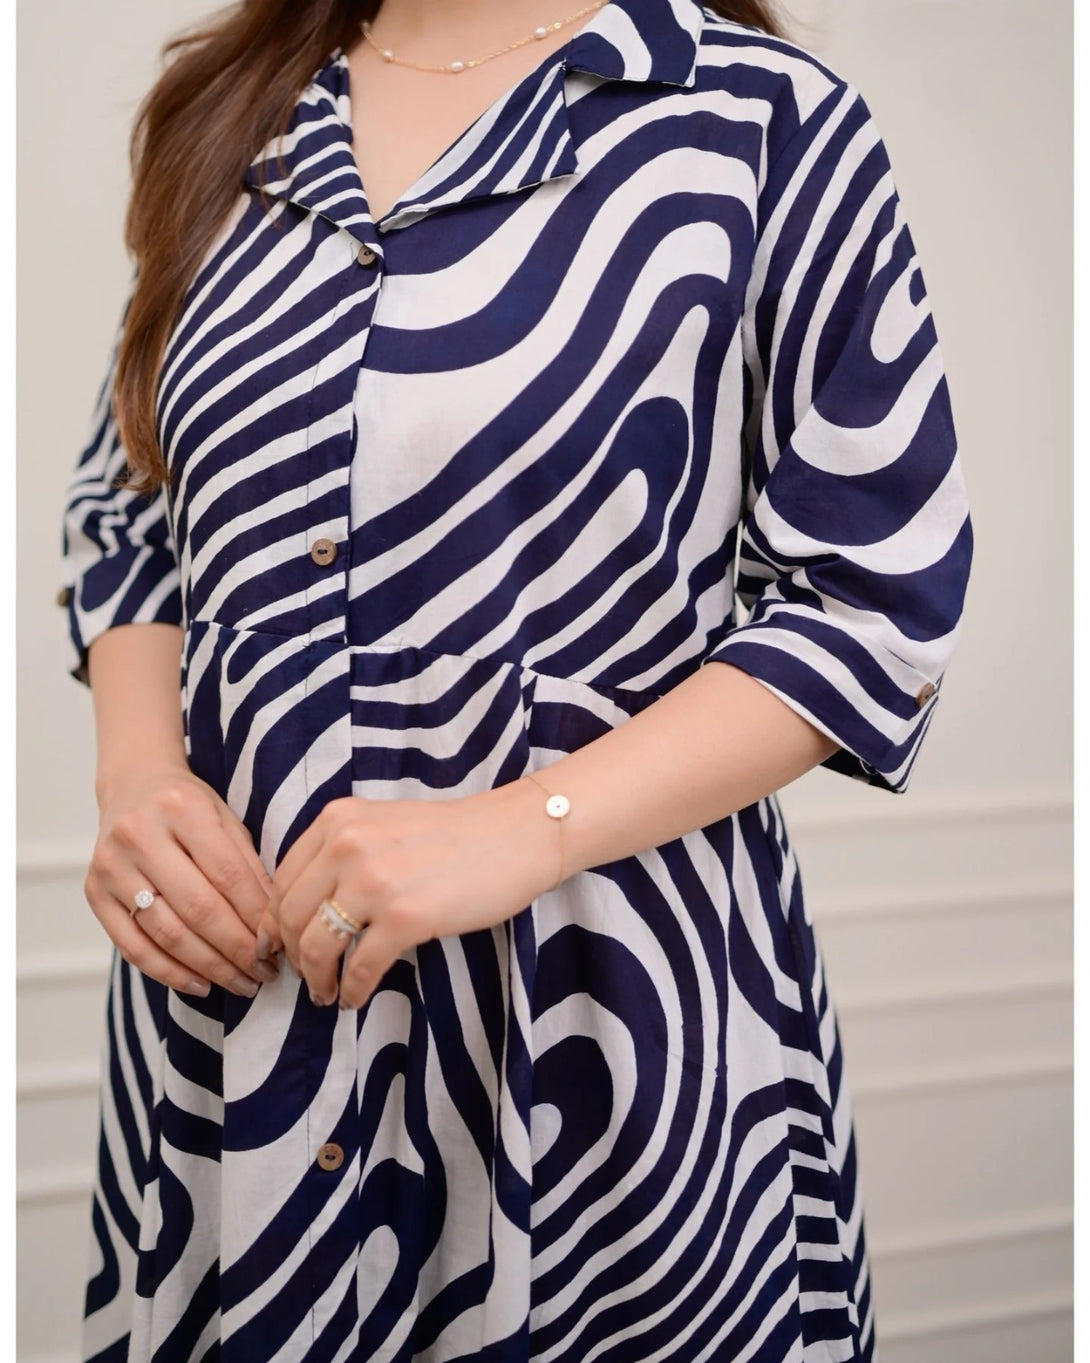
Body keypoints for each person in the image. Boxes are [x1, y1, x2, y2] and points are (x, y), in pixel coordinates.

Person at [57, 0, 973, 1358]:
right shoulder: (228, 114)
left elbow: (869, 597)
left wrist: (521, 828)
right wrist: (136, 777)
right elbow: (133, 515)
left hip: (601, 1024)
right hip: (232, 1023)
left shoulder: (763, 123)